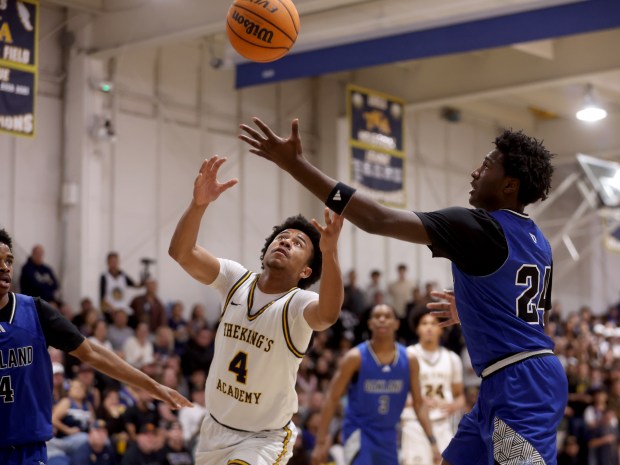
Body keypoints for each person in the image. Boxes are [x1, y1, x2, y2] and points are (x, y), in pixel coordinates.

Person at [239, 118, 568, 465]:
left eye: (486, 166)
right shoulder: (538, 240)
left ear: (509, 185)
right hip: (511, 379)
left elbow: (376, 219)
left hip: (521, 385)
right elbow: (529, 313)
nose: (475, 172)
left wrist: (296, 165)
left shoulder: (478, 227)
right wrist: (474, 307)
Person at [168, 155, 345, 465]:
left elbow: (328, 313)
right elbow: (181, 253)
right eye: (282, 237)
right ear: (266, 250)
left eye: (299, 242)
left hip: (263, 439)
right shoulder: (235, 280)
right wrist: (198, 205)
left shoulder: (296, 304)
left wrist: (329, 254)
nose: (287, 241)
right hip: (214, 430)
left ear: (306, 272)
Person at [0, 228, 191, 465]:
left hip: (26, 451)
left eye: (8, 260)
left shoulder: (35, 311)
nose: (5, 267)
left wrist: (152, 385)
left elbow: (93, 354)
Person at [311, 304, 440, 465]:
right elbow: (331, 397)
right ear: (370, 323)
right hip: (358, 432)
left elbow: (419, 404)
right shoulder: (355, 357)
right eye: (377, 316)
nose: (382, 320)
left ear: (396, 324)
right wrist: (320, 441)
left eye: (387, 316)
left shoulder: (409, 360)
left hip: (389, 435)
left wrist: (433, 441)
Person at [401, 308, 465, 465]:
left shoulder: (452, 358)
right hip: (414, 423)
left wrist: (454, 405)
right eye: (424, 323)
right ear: (417, 328)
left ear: (441, 330)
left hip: (443, 423)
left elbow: (460, 396)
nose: (429, 327)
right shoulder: (407, 355)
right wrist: (416, 401)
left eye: (433, 324)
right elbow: (396, 394)